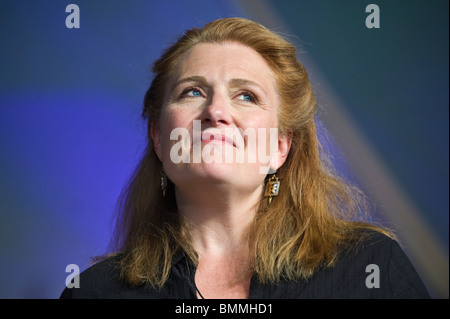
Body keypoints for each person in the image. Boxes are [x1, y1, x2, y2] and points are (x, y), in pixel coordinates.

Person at [60, 17, 430, 299]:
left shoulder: (369, 268)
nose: (216, 111)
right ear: (158, 138)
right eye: (192, 91)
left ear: (280, 147)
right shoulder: (93, 292)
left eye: (247, 96)